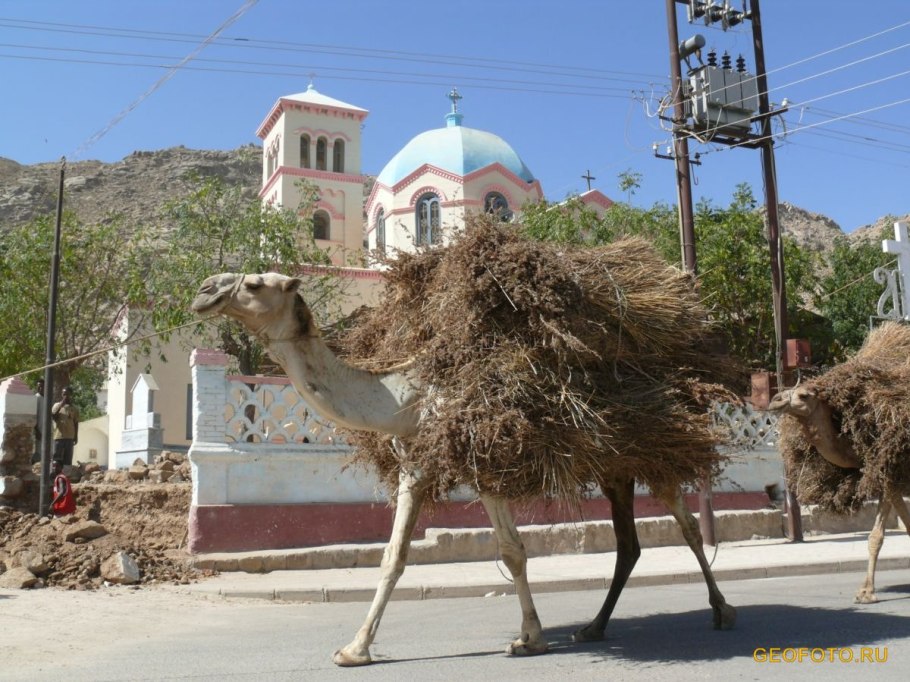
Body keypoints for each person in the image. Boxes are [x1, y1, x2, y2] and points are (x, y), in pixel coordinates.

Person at [51, 386, 79, 467]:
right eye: (64, 394)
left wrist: (76, 436)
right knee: (56, 460)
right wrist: (61, 405)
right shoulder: (56, 405)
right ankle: (56, 474)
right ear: (61, 395)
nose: (65, 396)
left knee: (68, 460)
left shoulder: (74, 408)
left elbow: (76, 423)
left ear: (71, 395)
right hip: (58, 437)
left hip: (69, 437)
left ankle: (66, 474)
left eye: (67, 394)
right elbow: (53, 416)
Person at [32, 379, 45, 465]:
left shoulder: (47, 398)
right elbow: (33, 415)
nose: (40, 388)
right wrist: (36, 430)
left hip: (47, 430)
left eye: (42, 386)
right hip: (39, 430)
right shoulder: (36, 398)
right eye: (39, 386)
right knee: (38, 453)